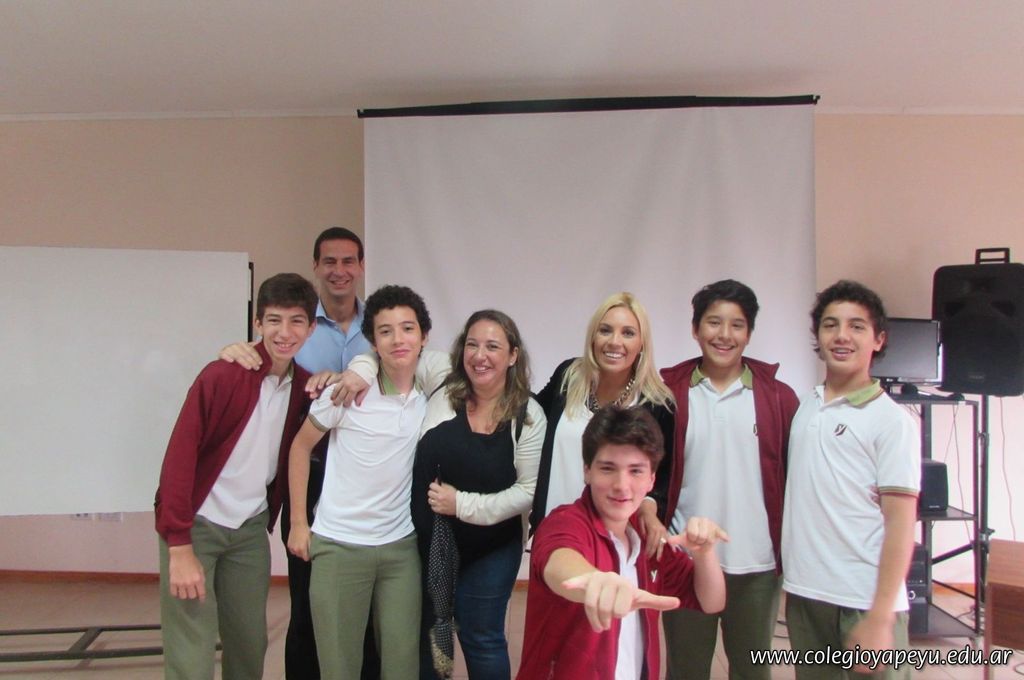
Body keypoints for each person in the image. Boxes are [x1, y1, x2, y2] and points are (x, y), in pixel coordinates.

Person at [220, 226, 375, 679]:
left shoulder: (379, 326)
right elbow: (258, 362)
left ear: (361, 267)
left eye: (348, 261)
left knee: (365, 605)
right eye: (330, 261)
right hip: (309, 471)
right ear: (315, 267)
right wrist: (232, 349)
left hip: (369, 478)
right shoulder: (298, 326)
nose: (339, 271)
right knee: (306, 601)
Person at [154, 273, 318, 680]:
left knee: (249, 644)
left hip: (249, 531)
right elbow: (178, 459)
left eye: (296, 321)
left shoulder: (302, 386)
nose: (285, 332)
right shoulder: (222, 375)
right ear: (257, 323)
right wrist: (179, 545)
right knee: (192, 652)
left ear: (311, 328)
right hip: (197, 526)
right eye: (274, 320)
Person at [643, 279, 799, 680]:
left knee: (752, 671)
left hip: (757, 565)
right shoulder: (666, 394)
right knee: (686, 670)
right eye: (714, 322)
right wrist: (649, 513)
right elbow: (648, 471)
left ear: (749, 333)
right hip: (686, 559)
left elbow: (797, 476)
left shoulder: (779, 398)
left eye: (737, 325)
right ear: (695, 329)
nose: (724, 335)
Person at [517, 406, 727, 680]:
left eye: (636, 471)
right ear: (587, 471)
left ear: (652, 479)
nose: (622, 485)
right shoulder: (564, 522)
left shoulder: (647, 539)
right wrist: (594, 581)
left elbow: (711, 602)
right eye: (608, 469)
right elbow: (560, 560)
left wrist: (705, 553)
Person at [287, 284, 431, 680]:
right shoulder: (347, 391)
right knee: (339, 668)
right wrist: (299, 523)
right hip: (339, 546)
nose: (398, 339)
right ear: (373, 341)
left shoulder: (430, 395)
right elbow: (300, 448)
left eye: (407, 328)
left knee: (402, 667)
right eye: (385, 331)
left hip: (400, 550)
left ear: (424, 337)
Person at [782, 280, 920, 680]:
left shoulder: (892, 421)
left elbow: (901, 524)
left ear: (878, 339)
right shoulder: (807, 405)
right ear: (818, 336)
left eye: (856, 326)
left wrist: (880, 617)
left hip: (863, 601)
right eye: (831, 325)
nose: (841, 335)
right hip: (806, 594)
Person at [410, 310, 546, 680]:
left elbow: (527, 492)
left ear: (513, 355)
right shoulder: (444, 396)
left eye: (492, 346)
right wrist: (355, 371)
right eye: (472, 344)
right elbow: (397, 354)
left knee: (480, 634)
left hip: (494, 544)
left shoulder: (529, 415)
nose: (480, 355)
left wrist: (461, 504)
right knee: (432, 634)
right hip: (436, 542)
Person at [530, 292, 675, 532]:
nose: (614, 342)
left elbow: (663, 479)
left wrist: (650, 510)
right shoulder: (568, 376)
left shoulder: (658, 403)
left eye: (628, 333)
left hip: (615, 538)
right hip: (551, 528)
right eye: (605, 330)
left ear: (642, 343)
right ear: (593, 337)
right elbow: (531, 416)